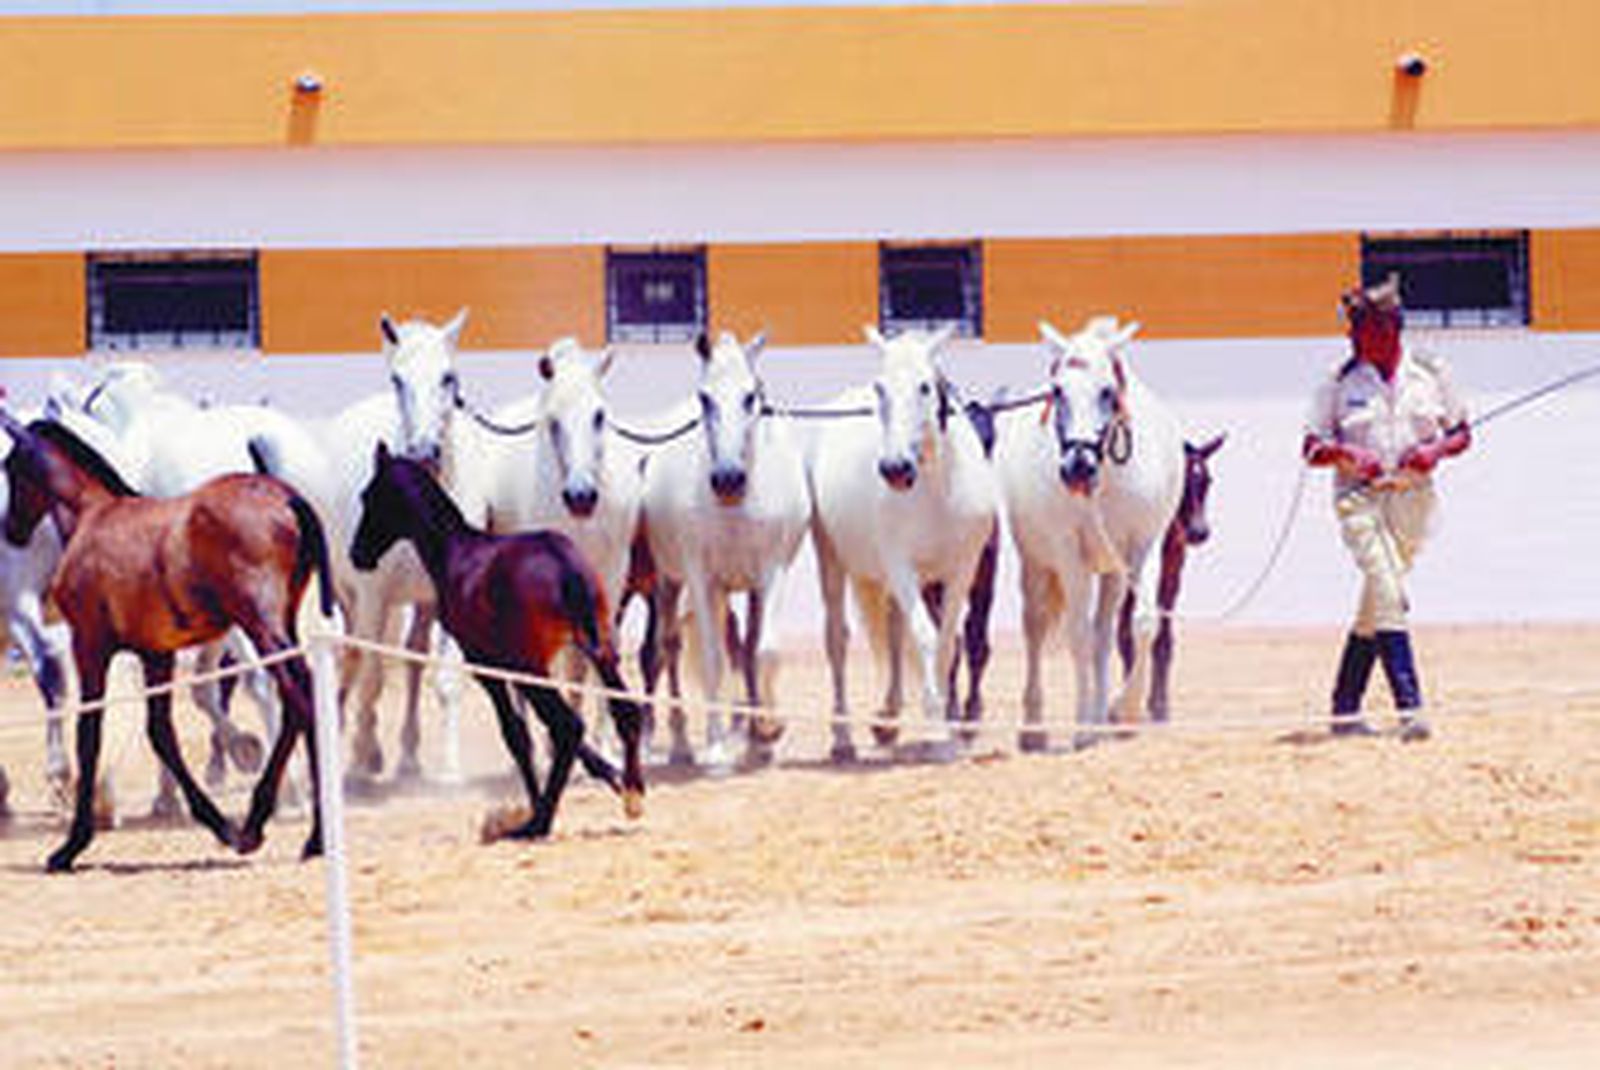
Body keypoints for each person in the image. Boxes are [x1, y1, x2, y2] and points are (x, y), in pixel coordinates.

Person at [1302, 275, 1471, 741]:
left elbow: (1461, 433)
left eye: (1366, 332)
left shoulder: (1433, 375)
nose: (1357, 342)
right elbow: (1311, 448)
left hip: (1414, 500)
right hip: (1360, 501)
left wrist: (1433, 452)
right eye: (1353, 334)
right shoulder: (1338, 382)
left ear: (1393, 327)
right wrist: (1346, 454)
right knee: (1388, 591)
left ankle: (1343, 707)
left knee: (1378, 602)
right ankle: (1410, 710)